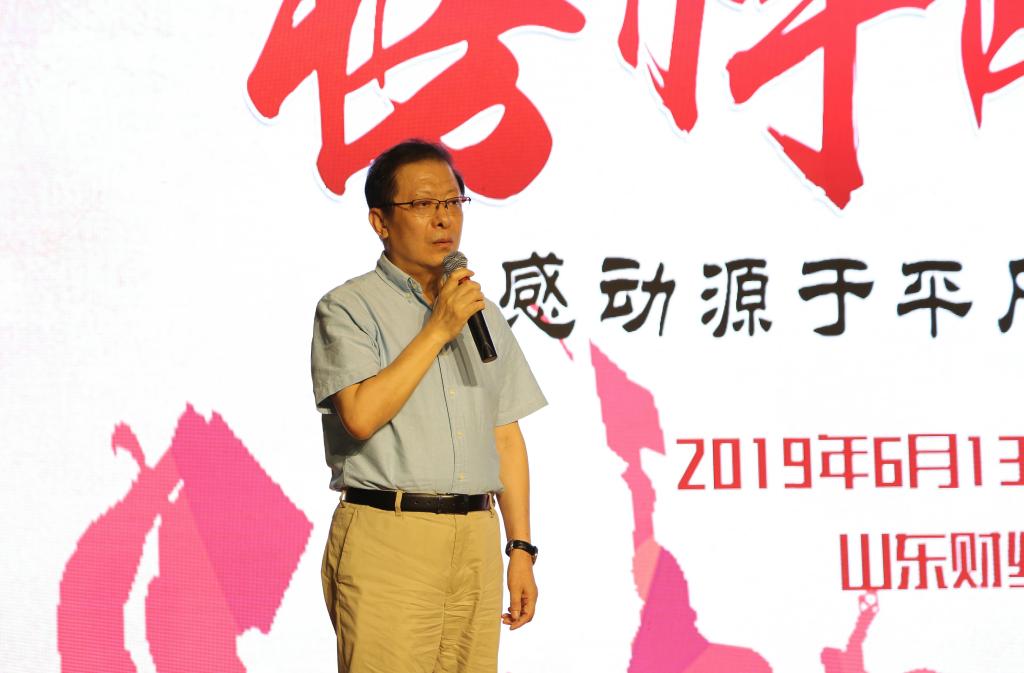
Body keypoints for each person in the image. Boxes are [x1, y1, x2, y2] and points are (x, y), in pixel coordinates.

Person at [311, 139, 546, 673]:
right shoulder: (348, 308)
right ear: (380, 221)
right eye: (421, 204)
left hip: (476, 539)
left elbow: (505, 436)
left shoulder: (480, 312)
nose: (443, 218)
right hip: (390, 535)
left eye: (452, 202)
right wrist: (438, 328)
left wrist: (521, 548)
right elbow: (360, 415)